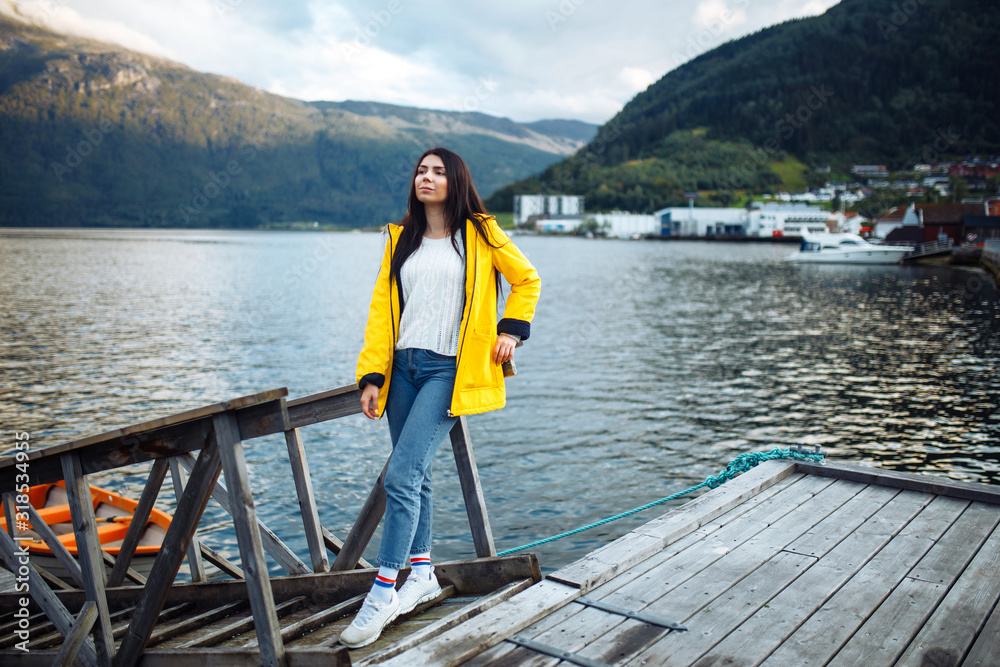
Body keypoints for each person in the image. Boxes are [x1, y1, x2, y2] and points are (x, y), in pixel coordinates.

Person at [339, 147, 541, 648]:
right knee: (418, 474)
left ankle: (383, 589)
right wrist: (372, 376)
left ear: (455, 181)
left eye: (437, 171)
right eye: (420, 170)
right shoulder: (399, 239)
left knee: (401, 475)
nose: (426, 177)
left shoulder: (481, 232)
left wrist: (511, 332)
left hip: (449, 370)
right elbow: (381, 312)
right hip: (403, 368)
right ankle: (422, 570)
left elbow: (527, 280)